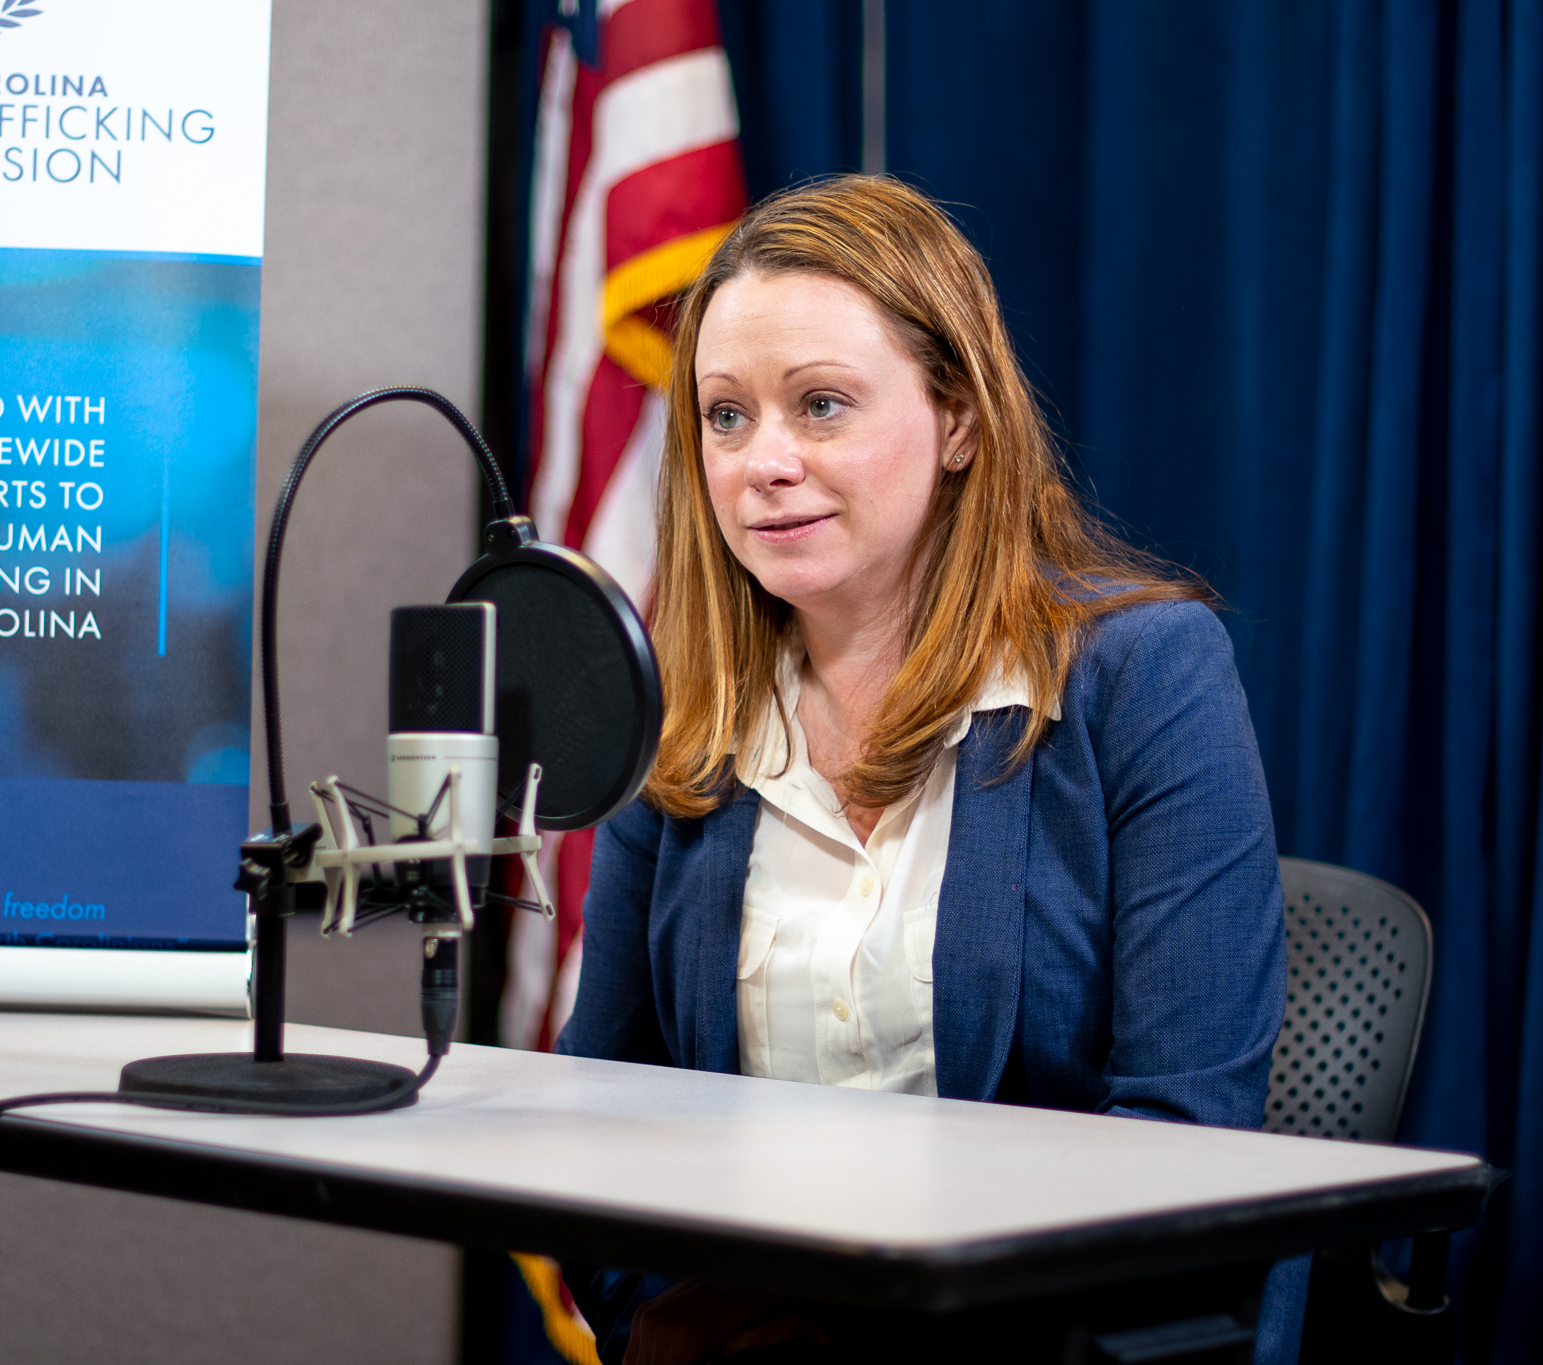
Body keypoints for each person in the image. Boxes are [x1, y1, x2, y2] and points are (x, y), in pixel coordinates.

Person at [554, 175, 1298, 1364]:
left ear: (956, 420)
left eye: (822, 405)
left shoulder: (1144, 675)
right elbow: (600, 1125)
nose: (763, 462)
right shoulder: (686, 722)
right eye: (726, 415)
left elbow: (1184, 1138)